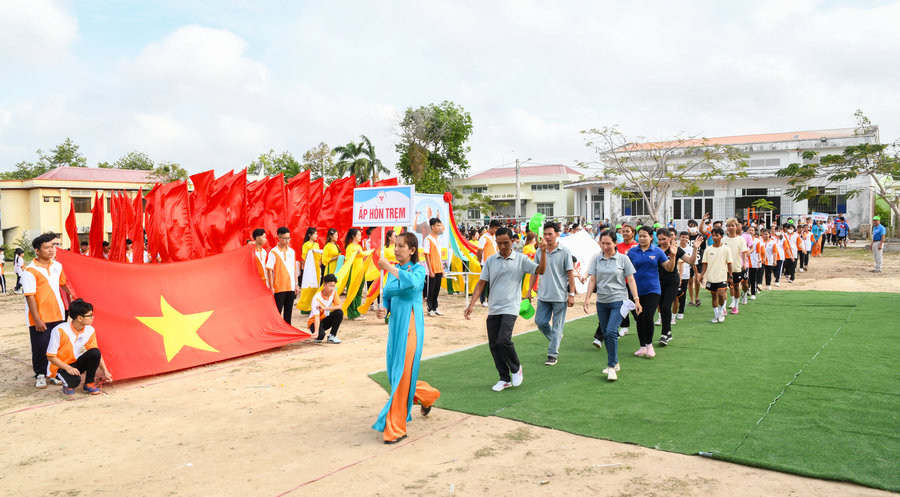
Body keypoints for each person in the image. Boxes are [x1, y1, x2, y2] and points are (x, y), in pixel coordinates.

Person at [373, 232, 440, 444]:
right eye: (395, 245)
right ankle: (427, 395)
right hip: (395, 326)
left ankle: (396, 428)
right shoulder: (393, 270)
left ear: (412, 250)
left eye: (400, 246)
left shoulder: (418, 269)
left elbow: (412, 284)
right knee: (396, 374)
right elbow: (388, 295)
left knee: (402, 374)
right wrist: (384, 308)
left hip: (411, 325)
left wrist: (389, 267)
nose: (396, 249)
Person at [465, 228, 546, 391]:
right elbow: (481, 282)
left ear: (513, 242)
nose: (502, 246)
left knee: (503, 339)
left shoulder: (521, 259)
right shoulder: (490, 261)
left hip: (511, 306)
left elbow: (540, 270)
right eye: (499, 243)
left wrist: (543, 253)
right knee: (494, 345)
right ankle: (504, 378)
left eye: (506, 243)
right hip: (494, 307)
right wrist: (471, 304)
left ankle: (516, 368)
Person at [583, 230, 641, 381]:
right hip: (602, 302)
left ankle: (611, 366)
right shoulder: (596, 258)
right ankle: (615, 363)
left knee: (610, 331)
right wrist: (587, 298)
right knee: (606, 332)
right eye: (603, 243)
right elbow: (592, 280)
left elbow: (631, 280)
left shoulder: (623, 259)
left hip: (619, 300)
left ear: (615, 243)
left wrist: (636, 299)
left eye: (608, 243)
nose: (605, 246)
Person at [22, 233, 74, 388]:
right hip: (40, 316)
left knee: (56, 345)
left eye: (52, 247)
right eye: (46, 247)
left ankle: (53, 373)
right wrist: (37, 319)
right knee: (40, 346)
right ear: (37, 251)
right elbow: (30, 297)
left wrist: (76, 295)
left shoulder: (57, 266)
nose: (51, 250)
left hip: (58, 313)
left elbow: (64, 284)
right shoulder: (30, 270)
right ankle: (40, 374)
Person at [46, 298, 112, 396]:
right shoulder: (59, 330)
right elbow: (50, 356)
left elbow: (95, 352)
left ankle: (89, 383)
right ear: (80, 318)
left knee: (95, 352)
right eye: (90, 315)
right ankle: (67, 384)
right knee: (75, 381)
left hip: (75, 363)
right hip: (60, 367)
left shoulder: (90, 330)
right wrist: (68, 368)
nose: (93, 317)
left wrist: (105, 371)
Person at [626, 226, 675, 358]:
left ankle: (649, 345)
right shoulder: (632, 252)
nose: (641, 238)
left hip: (653, 289)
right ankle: (642, 346)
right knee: (639, 319)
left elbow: (669, 268)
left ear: (651, 237)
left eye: (644, 236)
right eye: (639, 236)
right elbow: (626, 269)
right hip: (636, 290)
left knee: (648, 316)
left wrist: (673, 255)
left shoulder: (657, 251)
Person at [533, 222, 576, 366]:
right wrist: (529, 291)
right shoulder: (539, 252)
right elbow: (535, 271)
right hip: (543, 295)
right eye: (545, 234)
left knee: (558, 326)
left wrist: (571, 294)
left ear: (557, 234)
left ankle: (552, 354)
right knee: (540, 321)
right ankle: (555, 337)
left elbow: (570, 274)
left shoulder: (565, 252)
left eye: (550, 234)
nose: (547, 237)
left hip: (559, 296)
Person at [655, 228, 697, 346]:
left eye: (664, 239)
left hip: (672, 282)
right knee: (661, 307)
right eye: (659, 239)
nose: (662, 242)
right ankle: (668, 332)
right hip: (657, 282)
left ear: (670, 238)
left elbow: (691, 261)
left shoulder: (676, 249)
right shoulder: (655, 250)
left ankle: (664, 334)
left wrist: (695, 248)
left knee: (665, 306)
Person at [698, 228, 734, 323]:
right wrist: (702, 275)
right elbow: (705, 264)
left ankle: (721, 312)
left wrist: (730, 276)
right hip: (711, 277)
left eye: (716, 235)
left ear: (721, 236)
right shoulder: (708, 249)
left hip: (722, 276)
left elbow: (729, 263)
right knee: (714, 296)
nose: (714, 237)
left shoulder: (726, 249)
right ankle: (716, 315)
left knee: (721, 295)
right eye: (713, 235)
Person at [266, 227, 299, 324]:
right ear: (279, 238)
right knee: (277, 312)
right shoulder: (273, 252)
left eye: (289, 238)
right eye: (285, 238)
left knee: (288, 313)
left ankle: (287, 330)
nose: (287, 240)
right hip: (279, 287)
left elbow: (294, 268)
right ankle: (275, 330)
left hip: (290, 286)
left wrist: (296, 284)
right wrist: (271, 287)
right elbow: (269, 270)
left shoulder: (291, 252)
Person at [344, 228, 374, 320]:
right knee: (352, 291)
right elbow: (348, 260)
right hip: (353, 272)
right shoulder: (350, 247)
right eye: (358, 235)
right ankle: (352, 314)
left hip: (360, 271)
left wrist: (368, 254)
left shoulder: (359, 247)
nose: (360, 237)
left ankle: (357, 311)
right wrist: (355, 254)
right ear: (353, 236)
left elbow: (361, 258)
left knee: (359, 292)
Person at [615, 224, 639, 336]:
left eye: (627, 231)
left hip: (634, 280)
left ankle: (639, 320)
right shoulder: (617, 246)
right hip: (620, 280)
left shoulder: (637, 246)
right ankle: (624, 327)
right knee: (621, 303)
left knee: (634, 302)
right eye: (623, 231)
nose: (624, 233)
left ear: (633, 233)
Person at [722, 218, 750, 314]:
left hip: (736, 267)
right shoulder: (723, 240)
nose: (730, 228)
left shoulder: (741, 240)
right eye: (728, 226)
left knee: (736, 287)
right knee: (724, 288)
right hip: (724, 268)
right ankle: (723, 308)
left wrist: (744, 264)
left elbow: (744, 252)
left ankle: (736, 306)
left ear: (736, 227)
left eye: (732, 225)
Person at [308, 273, 343, 343]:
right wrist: (316, 331)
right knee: (320, 337)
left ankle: (332, 336)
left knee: (339, 312)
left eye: (334, 286)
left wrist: (325, 308)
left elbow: (339, 306)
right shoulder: (316, 298)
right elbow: (316, 317)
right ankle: (316, 331)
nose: (332, 288)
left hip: (325, 319)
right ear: (324, 285)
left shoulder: (334, 292)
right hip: (314, 321)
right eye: (330, 286)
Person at [423, 218, 445, 316]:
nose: (439, 227)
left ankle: (435, 307)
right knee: (431, 289)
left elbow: (439, 255)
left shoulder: (438, 239)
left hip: (438, 268)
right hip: (431, 269)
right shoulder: (428, 239)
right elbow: (426, 255)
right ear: (432, 227)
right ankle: (430, 308)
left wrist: (442, 268)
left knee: (437, 289)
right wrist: (430, 270)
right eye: (437, 225)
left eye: (440, 225)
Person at [299, 227, 324, 313]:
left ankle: (312, 306)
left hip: (316, 268)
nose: (316, 236)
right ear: (310, 235)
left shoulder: (316, 245)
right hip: (309, 268)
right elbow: (304, 256)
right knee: (308, 287)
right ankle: (305, 307)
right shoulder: (306, 245)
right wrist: (310, 252)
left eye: (317, 234)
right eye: (315, 234)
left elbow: (319, 256)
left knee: (315, 286)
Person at [476, 220, 500, 307]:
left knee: (492, 282)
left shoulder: (495, 237)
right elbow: (479, 251)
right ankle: (483, 300)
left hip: (494, 262)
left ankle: (490, 299)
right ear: (491, 227)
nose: (496, 231)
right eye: (496, 229)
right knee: (484, 282)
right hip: (485, 263)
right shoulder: (484, 237)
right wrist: (480, 261)